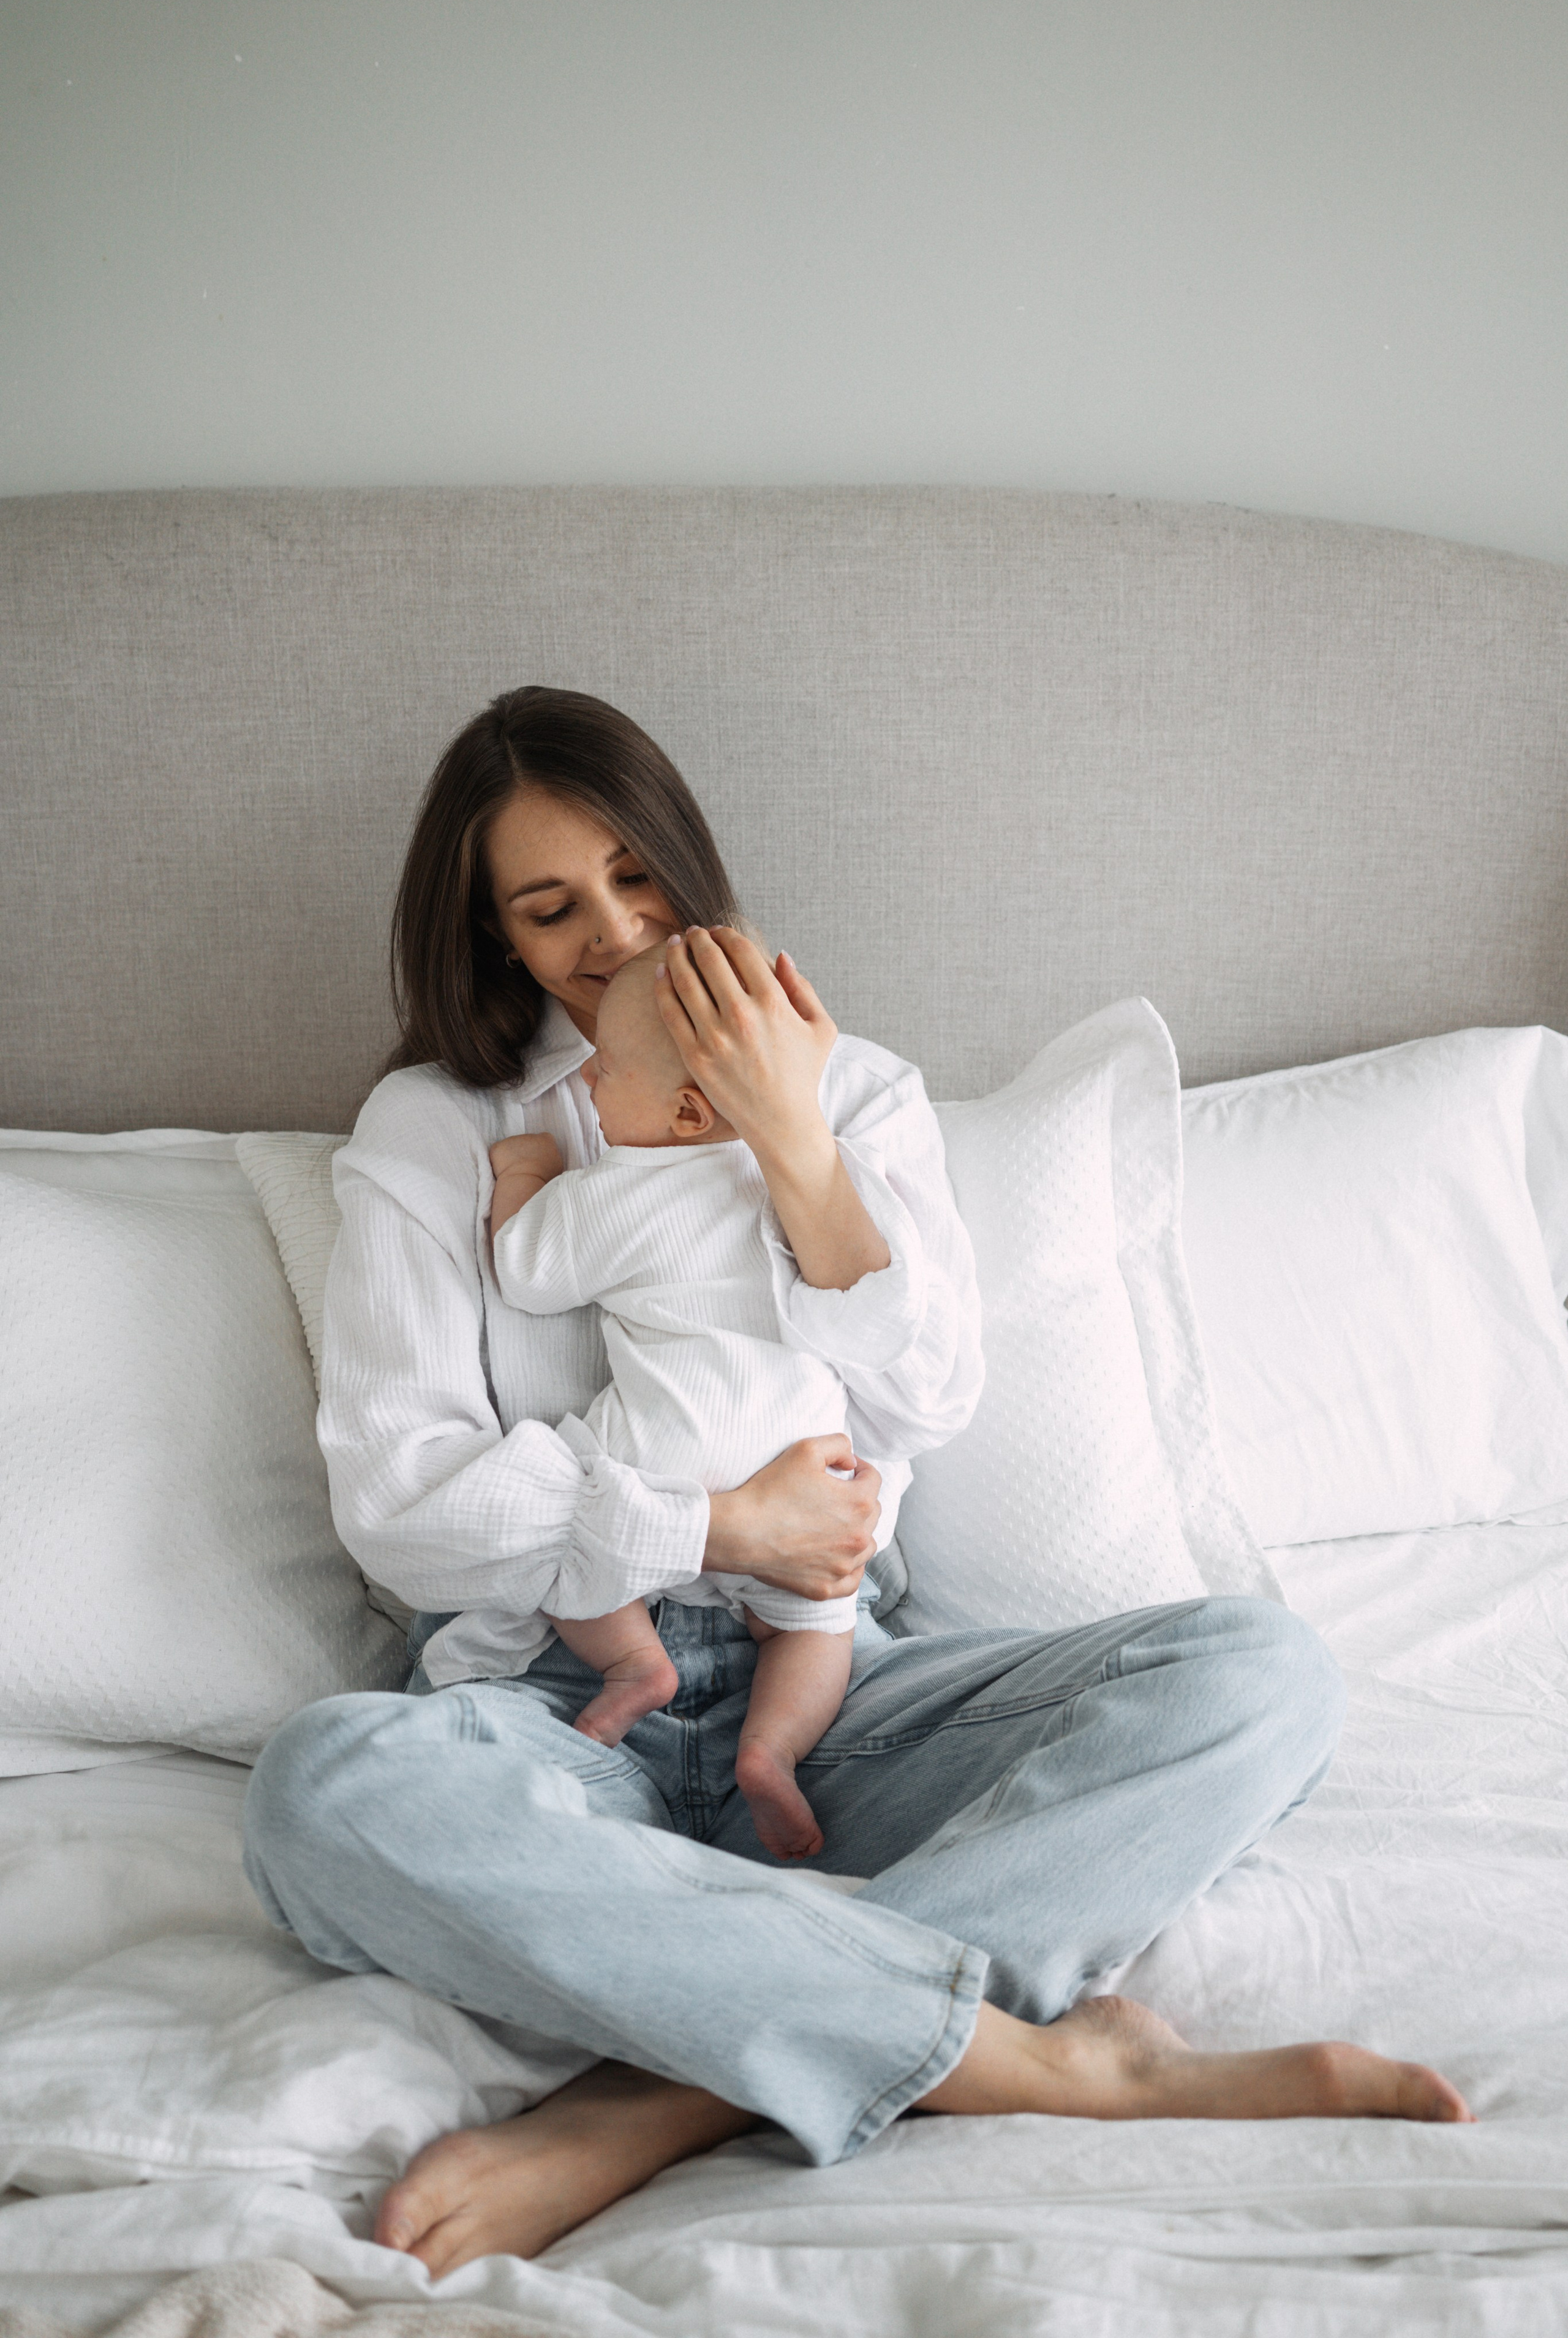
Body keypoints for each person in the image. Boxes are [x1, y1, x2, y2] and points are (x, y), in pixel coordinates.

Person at [241, 685, 1473, 2282]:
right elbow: (408, 1511)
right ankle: (1037, 2057)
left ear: (687, 857)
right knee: (323, 1791)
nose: (615, 933)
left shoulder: (858, 1087)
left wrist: (793, 1143)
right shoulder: (441, 1129)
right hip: (557, 1707)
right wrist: (710, 1523)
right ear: (493, 936)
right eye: (551, 909)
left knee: (1262, 1674)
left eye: (636, 876)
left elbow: (927, 1397)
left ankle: (660, 2104)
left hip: (833, 1693)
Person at [486, 944, 932, 1859]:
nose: (589, 1084)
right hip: (809, 1472)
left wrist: (526, 1176)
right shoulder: (817, 1181)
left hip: (664, 1457)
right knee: (819, 1624)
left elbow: (525, 1270)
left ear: (686, 1111)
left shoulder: (617, 1191)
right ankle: (773, 1751)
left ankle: (632, 1664)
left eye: (607, 1070)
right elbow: (891, 1301)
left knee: (567, 1525)